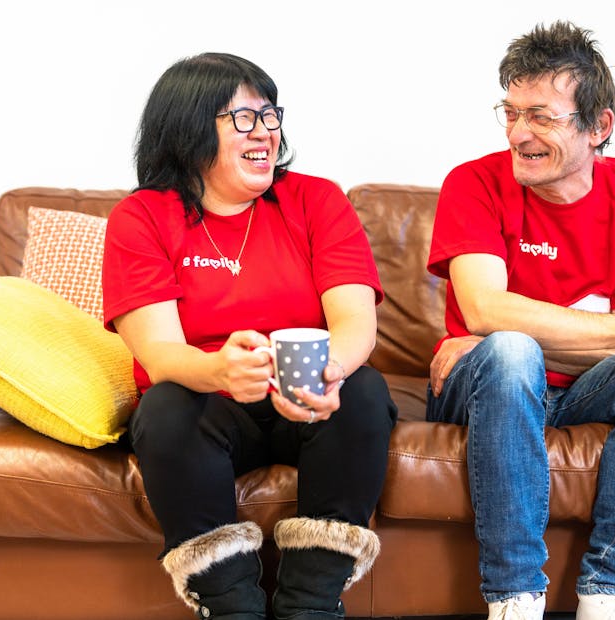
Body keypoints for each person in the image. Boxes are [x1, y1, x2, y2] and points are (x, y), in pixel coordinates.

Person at [425, 22, 615, 620]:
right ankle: (514, 597)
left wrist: (528, 331)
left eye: (541, 116)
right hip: (481, 388)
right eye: (510, 113)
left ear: (598, 126)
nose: (518, 133)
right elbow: (483, 309)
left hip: (584, 392)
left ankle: (609, 593)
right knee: (509, 355)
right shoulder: (473, 183)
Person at [101, 52, 397, 620]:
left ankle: (310, 604)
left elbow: (355, 321)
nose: (265, 131)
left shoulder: (316, 201)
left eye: (269, 115)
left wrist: (329, 374)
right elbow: (160, 353)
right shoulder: (142, 218)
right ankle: (230, 606)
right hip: (210, 407)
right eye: (243, 118)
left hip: (306, 403)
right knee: (165, 408)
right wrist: (219, 370)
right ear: (188, 130)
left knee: (364, 392)